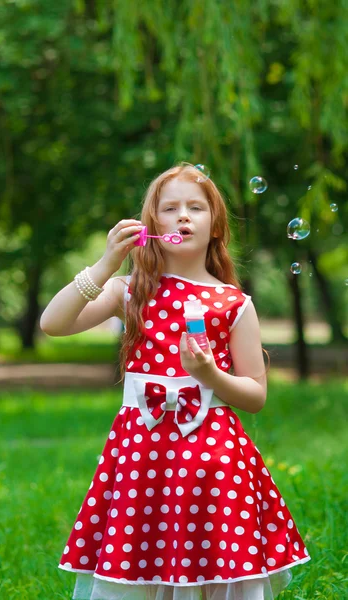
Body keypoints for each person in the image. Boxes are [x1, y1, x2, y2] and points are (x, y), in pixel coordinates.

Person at [40, 164, 311, 600]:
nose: (183, 216)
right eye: (170, 208)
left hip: (213, 460)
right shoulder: (129, 292)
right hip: (140, 457)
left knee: (214, 560)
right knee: (140, 557)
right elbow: (52, 323)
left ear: (215, 226)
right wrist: (107, 262)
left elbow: (256, 397)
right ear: (151, 226)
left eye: (196, 208)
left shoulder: (234, 303)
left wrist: (208, 374)